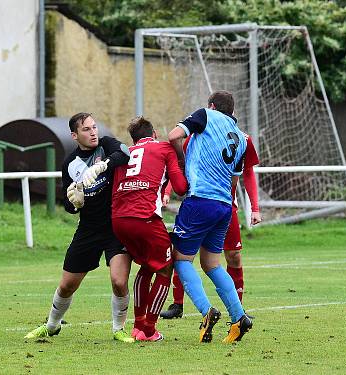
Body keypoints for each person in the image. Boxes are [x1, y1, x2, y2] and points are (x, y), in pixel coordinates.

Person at [24, 113, 136, 343]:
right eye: (86, 129)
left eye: (94, 127)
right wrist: (76, 203)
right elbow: (68, 204)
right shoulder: (70, 164)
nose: (93, 132)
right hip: (88, 229)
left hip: (116, 225)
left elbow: (125, 154)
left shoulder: (106, 145)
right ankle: (52, 326)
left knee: (119, 281)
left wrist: (103, 166)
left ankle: (118, 329)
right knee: (66, 286)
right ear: (75, 135)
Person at [167, 91, 253, 343]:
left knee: (181, 259)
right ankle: (239, 317)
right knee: (212, 264)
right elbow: (234, 182)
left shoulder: (206, 115)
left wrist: (182, 161)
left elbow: (174, 135)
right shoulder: (242, 138)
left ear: (212, 106)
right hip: (224, 206)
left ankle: (206, 312)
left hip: (200, 200)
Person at [161, 132, 262, 319]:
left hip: (224, 206)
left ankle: (238, 310)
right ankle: (178, 304)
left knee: (231, 256)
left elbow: (247, 172)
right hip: (201, 203)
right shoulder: (196, 136)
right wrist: (167, 190)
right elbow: (180, 165)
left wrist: (255, 208)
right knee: (186, 254)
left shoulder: (242, 139)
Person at [111, 116, 188, 341]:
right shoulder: (164, 147)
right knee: (165, 268)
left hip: (119, 219)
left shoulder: (126, 152)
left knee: (146, 267)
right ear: (154, 134)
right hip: (145, 218)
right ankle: (149, 329)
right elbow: (181, 188)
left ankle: (137, 325)